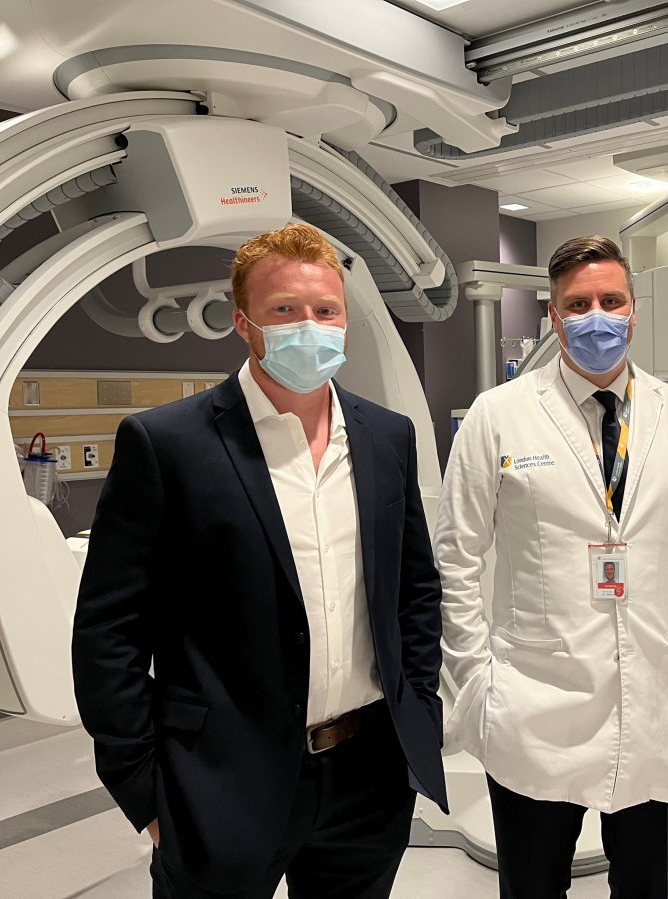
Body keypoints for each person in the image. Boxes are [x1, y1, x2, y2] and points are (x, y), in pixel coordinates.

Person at [72, 222, 448, 898]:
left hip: (369, 775)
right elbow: (109, 632)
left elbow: (414, 591)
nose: (311, 326)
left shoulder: (387, 437)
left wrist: (418, 713)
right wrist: (145, 788)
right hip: (219, 779)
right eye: (285, 310)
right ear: (243, 321)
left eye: (326, 310)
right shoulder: (169, 445)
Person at [436, 235, 668, 898]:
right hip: (535, 699)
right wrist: (473, 677)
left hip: (657, 693)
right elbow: (454, 553)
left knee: (644, 885)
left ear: (633, 310)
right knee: (533, 887)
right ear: (552, 314)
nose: (595, 315)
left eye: (610, 300)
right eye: (578, 303)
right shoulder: (498, 414)